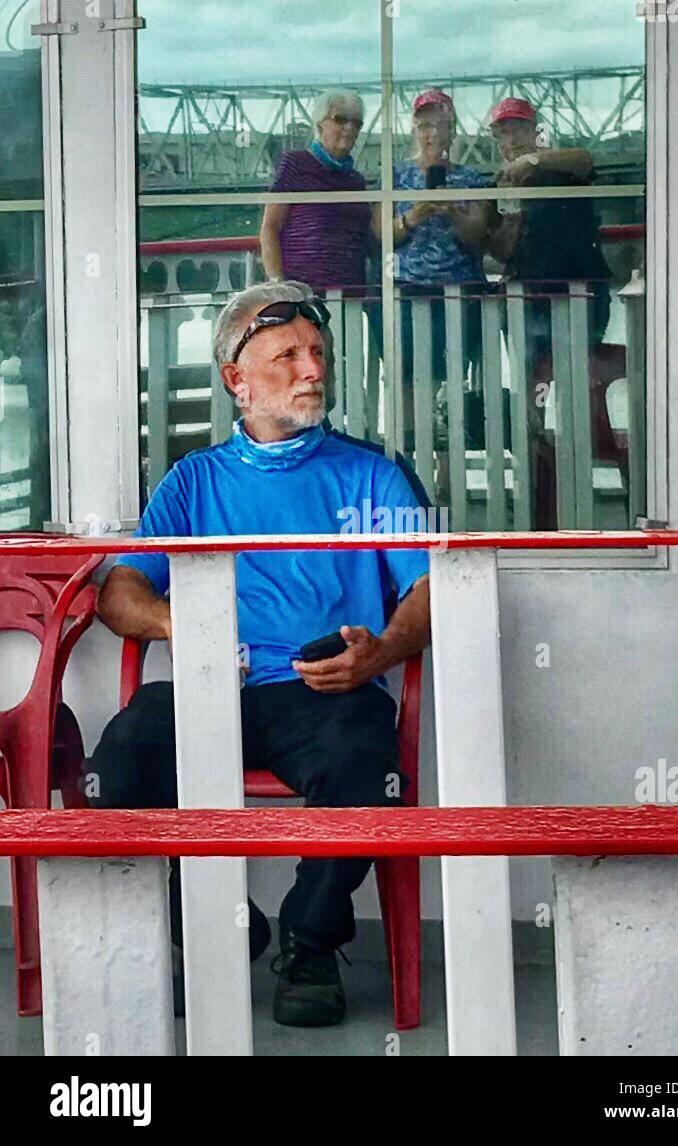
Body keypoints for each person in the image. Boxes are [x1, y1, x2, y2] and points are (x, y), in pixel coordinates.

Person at [84, 281, 432, 1028]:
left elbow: (431, 589)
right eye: (288, 356)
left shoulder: (371, 473)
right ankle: (207, 924)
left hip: (325, 689)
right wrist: (181, 626)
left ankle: (309, 941)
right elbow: (119, 593)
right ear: (236, 381)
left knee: (363, 765)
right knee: (114, 766)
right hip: (213, 686)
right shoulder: (193, 480)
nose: (313, 371)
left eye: (318, 354)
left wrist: (381, 651)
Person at [374, 89, 495, 499]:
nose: (432, 132)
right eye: (425, 124)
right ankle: (408, 475)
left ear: (452, 129)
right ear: (414, 129)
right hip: (409, 293)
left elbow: (480, 240)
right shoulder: (394, 176)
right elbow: (381, 236)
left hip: (459, 293)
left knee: (451, 385)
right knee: (407, 382)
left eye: (440, 124)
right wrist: (413, 216)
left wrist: (455, 214)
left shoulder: (471, 179)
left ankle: (446, 478)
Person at [486, 97, 612, 353]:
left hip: (580, 287)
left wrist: (533, 161)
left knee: (582, 379)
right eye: (504, 134)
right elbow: (501, 251)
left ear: (535, 132)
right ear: (498, 141)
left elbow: (585, 159)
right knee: (530, 381)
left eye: (520, 130)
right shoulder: (496, 186)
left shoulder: (561, 168)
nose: (512, 140)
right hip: (527, 296)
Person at [260, 90, 371, 291]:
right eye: (341, 120)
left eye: (356, 123)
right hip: (303, 294)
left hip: (351, 294)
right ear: (320, 123)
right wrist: (278, 284)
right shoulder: (296, 164)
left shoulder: (356, 181)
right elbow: (270, 228)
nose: (349, 128)